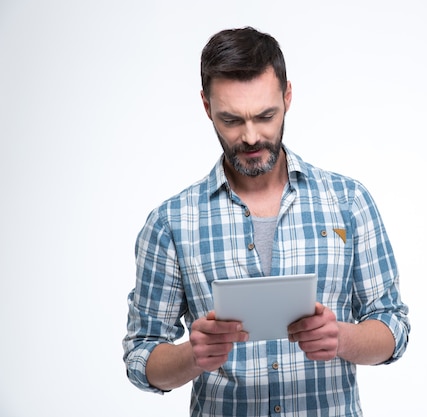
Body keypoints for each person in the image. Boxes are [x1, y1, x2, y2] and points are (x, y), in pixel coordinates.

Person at [123, 26, 410, 417]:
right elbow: (142, 357)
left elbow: (393, 326)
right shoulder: (171, 223)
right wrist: (194, 355)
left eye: (265, 115)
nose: (251, 136)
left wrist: (341, 338)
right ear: (207, 107)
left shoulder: (349, 201)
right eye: (231, 120)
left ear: (287, 96)